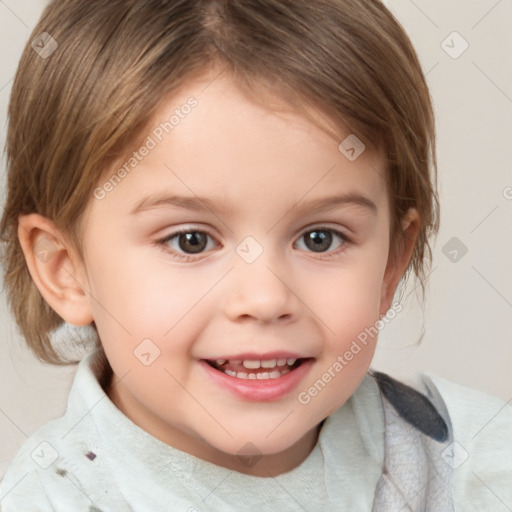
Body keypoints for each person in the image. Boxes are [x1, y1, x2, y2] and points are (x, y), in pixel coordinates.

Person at [0, 0, 510, 510]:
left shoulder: (477, 463)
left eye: (320, 238)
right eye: (191, 240)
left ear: (391, 264)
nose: (265, 298)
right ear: (65, 269)